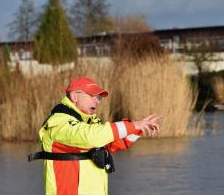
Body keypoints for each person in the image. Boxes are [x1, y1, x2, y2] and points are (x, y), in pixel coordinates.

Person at [30, 77, 161, 195]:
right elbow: (91, 137)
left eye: (99, 98)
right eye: (92, 96)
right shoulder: (59, 121)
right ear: (75, 96)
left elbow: (111, 143)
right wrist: (133, 125)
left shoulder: (88, 121)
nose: (97, 101)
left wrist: (138, 129)